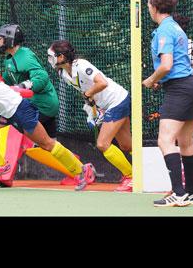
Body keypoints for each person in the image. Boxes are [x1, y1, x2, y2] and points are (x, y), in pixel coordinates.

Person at [0, 52, 96, 191]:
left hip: (19, 108)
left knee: (47, 144)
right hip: (2, 110)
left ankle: (82, 169)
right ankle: (1, 165)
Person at [47, 40, 133, 192]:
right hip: (108, 104)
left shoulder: (81, 65)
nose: (50, 59)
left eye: (52, 56)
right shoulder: (64, 74)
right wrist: (91, 109)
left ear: (61, 57)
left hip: (117, 100)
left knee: (102, 144)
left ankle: (131, 176)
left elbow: (102, 83)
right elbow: (86, 92)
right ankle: (152, 171)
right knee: (127, 145)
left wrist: (88, 94)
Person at [142, 0, 193, 207]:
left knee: (165, 140)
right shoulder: (175, 26)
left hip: (179, 89)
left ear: (155, 7)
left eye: (148, 5)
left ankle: (178, 193)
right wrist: (162, 79)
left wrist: (151, 79)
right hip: (189, 86)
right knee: (186, 142)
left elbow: (166, 65)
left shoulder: (165, 30)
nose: (147, 8)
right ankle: (191, 192)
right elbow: (173, 64)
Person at [0, 23, 59, 140]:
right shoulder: (10, 58)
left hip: (42, 105)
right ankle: (70, 158)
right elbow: (8, 79)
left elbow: (42, 77)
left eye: (0, 38)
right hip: (38, 104)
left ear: (9, 40)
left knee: (12, 130)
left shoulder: (25, 56)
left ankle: (3, 158)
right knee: (50, 145)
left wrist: (23, 86)